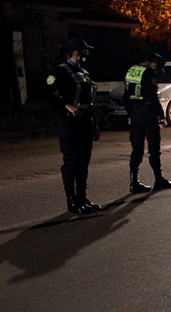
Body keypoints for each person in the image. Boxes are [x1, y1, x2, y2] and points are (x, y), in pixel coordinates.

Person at [43, 38, 102, 215]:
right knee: (72, 163)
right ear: (76, 52)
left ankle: (82, 199)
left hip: (84, 122)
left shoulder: (83, 72)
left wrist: (94, 124)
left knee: (83, 163)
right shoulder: (60, 72)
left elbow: (88, 102)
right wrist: (66, 106)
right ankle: (72, 202)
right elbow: (45, 95)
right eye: (85, 51)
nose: (86, 54)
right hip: (69, 123)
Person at [123, 51, 171, 193]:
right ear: (154, 64)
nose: (158, 71)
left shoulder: (132, 70)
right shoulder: (148, 73)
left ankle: (134, 182)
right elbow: (152, 96)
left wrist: (131, 112)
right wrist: (161, 115)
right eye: (158, 68)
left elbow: (126, 94)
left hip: (135, 113)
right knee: (154, 148)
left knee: (137, 149)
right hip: (147, 113)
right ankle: (158, 180)